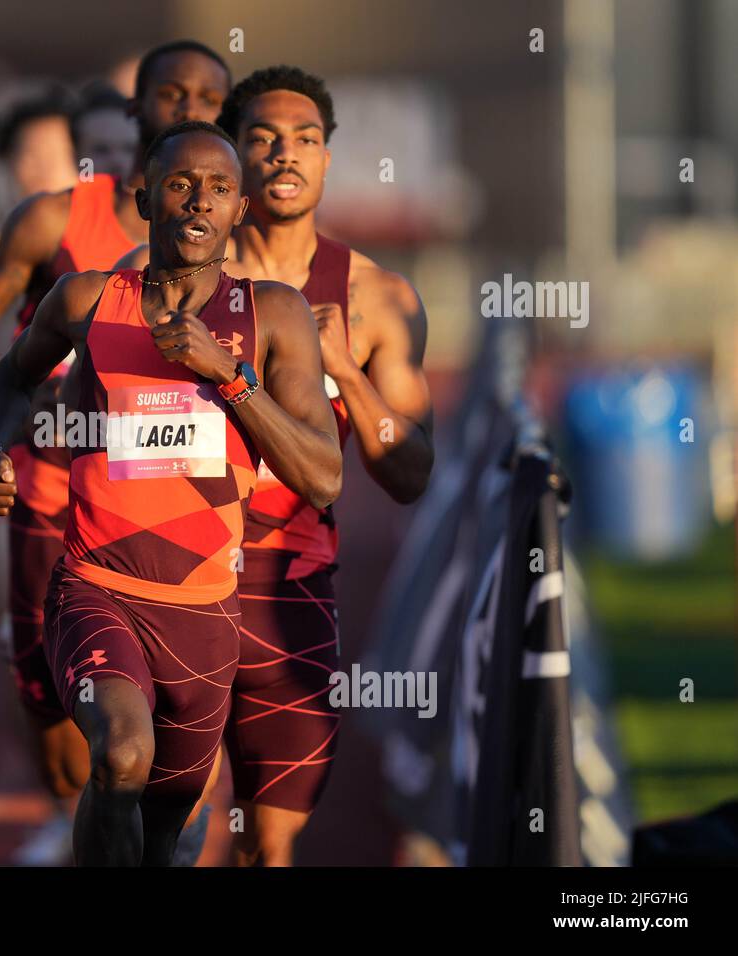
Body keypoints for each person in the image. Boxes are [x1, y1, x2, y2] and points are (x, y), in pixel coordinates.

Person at [0, 121, 342, 866]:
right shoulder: (86, 301)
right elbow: (9, 378)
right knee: (120, 756)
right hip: (94, 589)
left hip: (205, 617)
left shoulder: (272, 315)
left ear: (240, 210)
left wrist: (229, 375)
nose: (198, 202)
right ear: (145, 201)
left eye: (218, 189)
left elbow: (322, 474)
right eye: (178, 185)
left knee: (165, 836)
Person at [0, 41, 231, 864]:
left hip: (188, 511)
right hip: (57, 490)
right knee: (47, 696)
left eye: (208, 98)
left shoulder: (234, 239)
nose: (190, 110)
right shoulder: (55, 219)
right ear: (136, 115)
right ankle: (78, 822)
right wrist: (10, 426)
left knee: (177, 743)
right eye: (171, 96)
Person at [215, 66, 435, 865]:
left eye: (305, 140)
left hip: (291, 592)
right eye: (264, 139)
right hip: (178, 581)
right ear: (233, 155)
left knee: (270, 848)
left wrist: (343, 367)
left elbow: (411, 473)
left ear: (329, 159)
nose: (285, 155)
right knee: (179, 822)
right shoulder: (173, 280)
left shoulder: (378, 297)